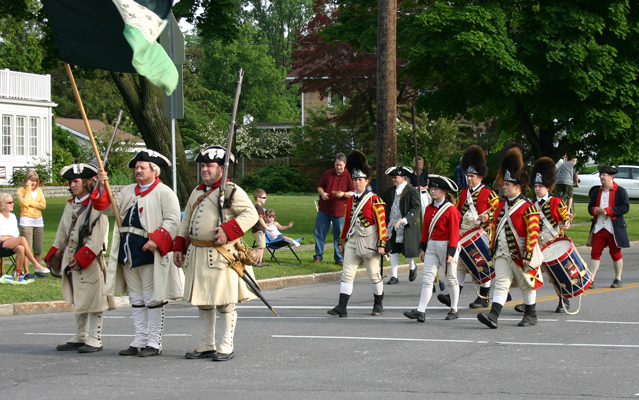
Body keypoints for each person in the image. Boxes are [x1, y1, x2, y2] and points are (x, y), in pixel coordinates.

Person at [92, 149, 183, 357]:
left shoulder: (164, 192)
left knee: (152, 298)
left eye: (142, 167)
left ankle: (154, 342)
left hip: (151, 253)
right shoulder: (128, 191)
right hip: (129, 252)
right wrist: (101, 184)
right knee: (136, 298)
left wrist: (156, 239)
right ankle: (140, 339)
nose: (138, 171)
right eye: (136, 167)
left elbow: (172, 221)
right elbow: (107, 208)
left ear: (154, 170)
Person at [172, 145, 259, 361]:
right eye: (203, 165)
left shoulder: (231, 191)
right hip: (198, 254)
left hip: (222, 255)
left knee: (224, 302)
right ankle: (206, 344)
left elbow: (251, 215)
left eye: (210, 166)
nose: (205, 169)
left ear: (222, 169)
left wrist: (228, 230)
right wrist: (179, 246)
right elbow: (186, 222)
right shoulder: (197, 191)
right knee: (203, 301)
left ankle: (226, 345)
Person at [43, 164, 109, 353]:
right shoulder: (70, 205)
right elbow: (62, 232)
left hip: (89, 259)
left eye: (76, 181)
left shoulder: (97, 206)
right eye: (71, 182)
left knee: (94, 299)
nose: (72, 185)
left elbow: (97, 238)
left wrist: (82, 258)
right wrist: (52, 254)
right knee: (78, 295)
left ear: (87, 182)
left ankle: (95, 338)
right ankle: (81, 335)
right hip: (71, 256)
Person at [477, 148, 542, 329]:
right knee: (501, 283)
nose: (503, 187)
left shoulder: (528, 207)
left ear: (518, 187)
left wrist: (528, 253)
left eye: (507, 184)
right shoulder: (502, 205)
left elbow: (533, 231)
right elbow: (497, 221)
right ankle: (493, 315)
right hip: (502, 252)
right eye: (504, 184)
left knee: (526, 284)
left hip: (521, 252)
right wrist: (487, 219)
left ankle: (531, 313)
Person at [438, 145, 499, 309]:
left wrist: (488, 216)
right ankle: (453, 297)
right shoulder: (463, 193)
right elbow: (457, 212)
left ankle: (484, 297)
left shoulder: (489, 193)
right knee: (460, 266)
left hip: (482, 235)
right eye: (467, 176)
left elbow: (498, 212)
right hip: (464, 235)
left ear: (480, 177)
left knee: (483, 264)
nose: (469, 179)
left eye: (472, 176)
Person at [327, 150, 387, 317]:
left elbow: (382, 223)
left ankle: (378, 303)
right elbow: (347, 222)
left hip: (369, 240)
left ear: (367, 181)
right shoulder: (351, 200)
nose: (357, 182)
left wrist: (382, 244)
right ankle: (342, 307)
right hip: (353, 239)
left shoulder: (374, 199)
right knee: (347, 273)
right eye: (355, 179)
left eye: (360, 179)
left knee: (374, 274)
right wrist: (342, 241)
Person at [515, 157, 572, 313]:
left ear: (548, 187)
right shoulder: (531, 205)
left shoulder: (556, 202)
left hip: (552, 242)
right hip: (536, 243)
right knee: (532, 273)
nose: (537, 189)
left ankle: (563, 300)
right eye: (536, 186)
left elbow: (565, 215)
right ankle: (529, 302)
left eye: (541, 186)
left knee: (556, 274)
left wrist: (567, 221)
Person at [404, 175, 461, 322]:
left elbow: (455, 232)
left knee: (452, 279)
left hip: (446, 245)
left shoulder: (451, 210)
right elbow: (425, 229)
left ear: (444, 191)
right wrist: (422, 248)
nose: (433, 191)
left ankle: (454, 308)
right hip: (431, 245)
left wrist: (452, 252)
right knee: (427, 279)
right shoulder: (429, 208)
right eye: (432, 189)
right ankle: (421, 310)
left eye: (436, 189)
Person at [587, 165, 629, 288]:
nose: (601, 177)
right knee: (595, 253)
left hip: (613, 228)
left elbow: (625, 207)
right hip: (599, 226)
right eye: (601, 175)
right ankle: (591, 279)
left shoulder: (620, 191)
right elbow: (590, 206)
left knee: (615, 253)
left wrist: (609, 211)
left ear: (611, 176)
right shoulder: (596, 192)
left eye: (604, 175)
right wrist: (594, 210)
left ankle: (618, 278)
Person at [380, 166, 421, 284]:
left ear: (403, 178)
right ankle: (394, 276)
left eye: (395, 177)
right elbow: (380, 199)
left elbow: (417, 207)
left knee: (406, 250)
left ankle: (412, 267)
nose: (393, 179)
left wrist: (406, 219)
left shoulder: (411, 191)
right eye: (392, 177)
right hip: (392, 225)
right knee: (393, 250)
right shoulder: (390, 191)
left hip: (405, 225)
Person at [313, 153, 354, 265]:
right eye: (336, 165)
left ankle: (339, 258)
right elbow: (320, 187)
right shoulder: (328, 173)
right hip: (324, 209)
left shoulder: (348, 176)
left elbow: (353, 192)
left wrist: (344, 194)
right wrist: (322, 193)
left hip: (340, 211)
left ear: (344, 164)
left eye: (340, 165)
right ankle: (318, 255)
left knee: (339, 235)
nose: (338, 167)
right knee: (319, 232)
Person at [1, 193, 46, 275]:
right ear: (2, 205)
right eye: (9, 202)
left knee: (21, 248)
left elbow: (15, 233)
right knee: (22, 239)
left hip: (9, 242)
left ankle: (17, 274)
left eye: (13, 202)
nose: (12, 204)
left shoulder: (12, 216)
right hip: (1, 244)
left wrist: (7, 237)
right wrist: (8, 237)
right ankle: (36, 264)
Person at [16, 171, 49, 277]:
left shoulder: (39, 191)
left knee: (38, 248)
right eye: (31, 180)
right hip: (26, 221)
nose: (33, 183)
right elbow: (24, 202)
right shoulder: (21, 191)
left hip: (38, 221)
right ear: (26, 180)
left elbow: (43, 205)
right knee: (27, 248)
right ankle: (27, 271)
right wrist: (28, 189)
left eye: (35, 181)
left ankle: (38, 269)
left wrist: (31, 203)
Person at [251, 189, 269, 266]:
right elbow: (260, 218)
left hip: (261, 229)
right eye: (264, 197)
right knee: (260, 246)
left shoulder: (260, 207)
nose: (265, 199)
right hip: (258, 229)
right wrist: (266, 227)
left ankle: (260, 260)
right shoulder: (258, 207)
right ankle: (256, 261)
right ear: (258, 198)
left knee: (262, 246)